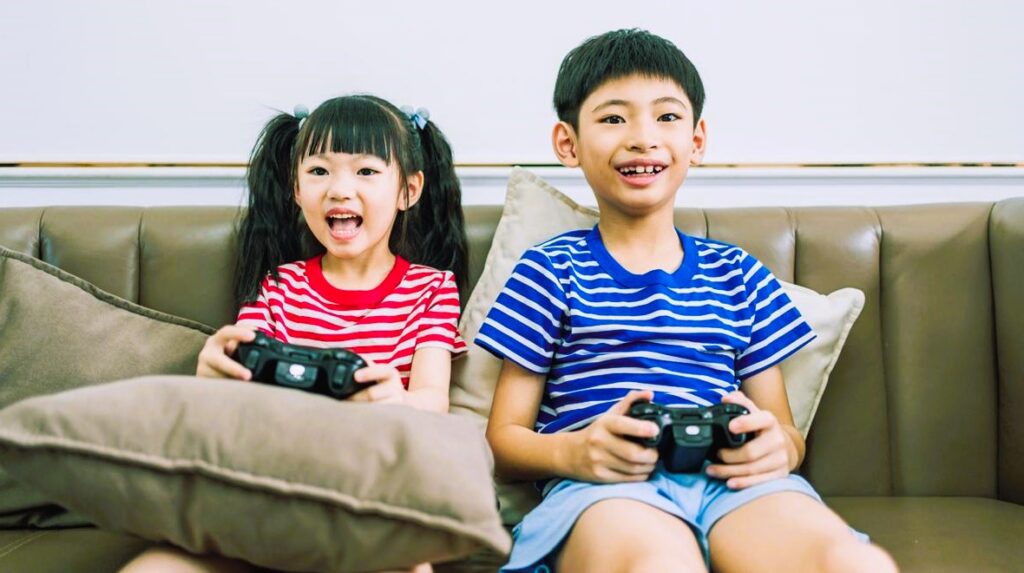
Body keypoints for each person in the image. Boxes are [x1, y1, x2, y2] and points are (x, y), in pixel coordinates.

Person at [479, 29, 898, 573]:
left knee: (855, 564)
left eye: (667, 117)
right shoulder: (548, 269)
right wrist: (575, 452)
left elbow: (785, 433)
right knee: (659, 564)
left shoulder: (740, 274)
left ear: (697, 141)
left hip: (734, 487)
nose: (642, 138)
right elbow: (504, 441)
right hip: (605, 491)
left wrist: (780, 450)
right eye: (612, 118)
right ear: (568, 143)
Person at [120, 95, 468, 573]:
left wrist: (396, 400)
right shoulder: (279, 286)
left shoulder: (431, 289)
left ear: (409, 190)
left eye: (366, 171)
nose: (339, 190)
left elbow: (433, 403)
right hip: (280, 485)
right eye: (319, 171)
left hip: (375, 492)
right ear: (296, 189)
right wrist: (215, 365)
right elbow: (240, 362)